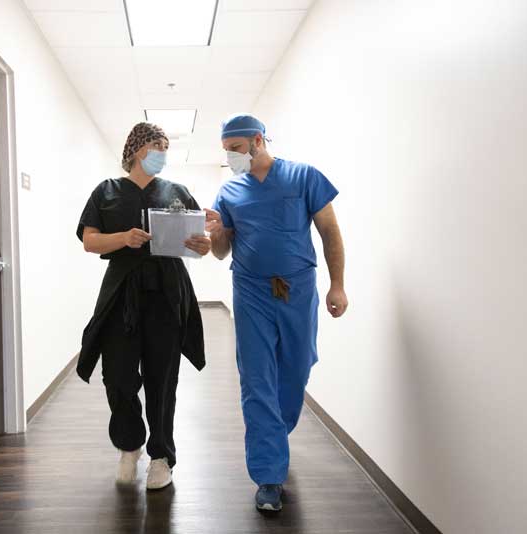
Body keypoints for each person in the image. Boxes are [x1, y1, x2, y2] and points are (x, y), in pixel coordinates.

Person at [206, 114, 348, 511]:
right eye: (226, 152)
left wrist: (337, 284)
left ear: (256, 140)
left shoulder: (304, 177)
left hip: (298, 289)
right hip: (250, 291)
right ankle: (268, 476)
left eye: (234, 149)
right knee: (256, 380)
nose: (231, 158)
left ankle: (275, 436)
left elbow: (330, 234)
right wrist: (217, 233)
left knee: (297, 368)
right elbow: (220, 251)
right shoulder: (229, 191)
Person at [76, 122, 211, 490]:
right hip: (122, 293)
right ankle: (129, 444)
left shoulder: (177, 192)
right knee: (117, 376)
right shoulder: (107, 191)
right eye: (156, 145)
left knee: (162, 378)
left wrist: (203, 245)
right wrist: (123, 238)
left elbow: (202, 242)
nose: (162, 153)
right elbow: (90, 241)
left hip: (167, 293)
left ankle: (162, 456)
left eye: (166, 147)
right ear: (136, 149)